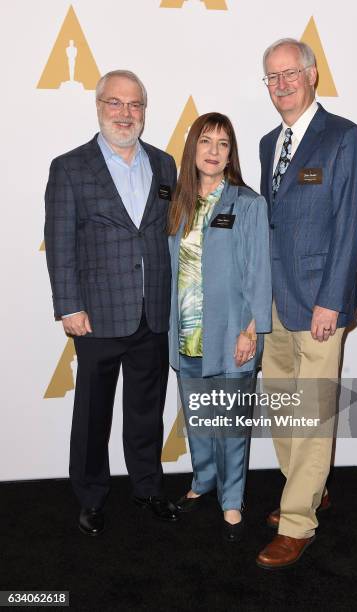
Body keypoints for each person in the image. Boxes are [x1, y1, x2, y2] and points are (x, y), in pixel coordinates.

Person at [44, 70, 179, 536]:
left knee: (147, 411)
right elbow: (59, 242)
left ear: (145, 109)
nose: (126, 113)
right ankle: (90, 497)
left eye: (135, 104)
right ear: (99, 106)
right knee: (93, 413)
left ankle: (147, 488)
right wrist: (69, 305)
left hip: (152, 312)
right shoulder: (70, 167)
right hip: (96, 316)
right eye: (116, 103)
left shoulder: (165, 165)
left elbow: (165, 237)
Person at [256, 39, 357, 568]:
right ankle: (308, 485)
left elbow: (351, 225)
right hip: (275, 303)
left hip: (320, 302)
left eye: (290, 73)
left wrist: (333, 301)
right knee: (283, 406)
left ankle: (299, 520)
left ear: (312, 74)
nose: (281, 84)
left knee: (313, 413)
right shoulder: (264, 143)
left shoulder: (345, 138)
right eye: (272, 76)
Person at [168, 112, 271, 542]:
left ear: (231, 153)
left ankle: (232, 499)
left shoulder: (248, 203)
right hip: (188, 333)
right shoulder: (178, 203)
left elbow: (259, 273)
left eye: (223, 144)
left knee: (230, 424)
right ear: (192, 148)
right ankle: (203, 480)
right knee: (199, 419)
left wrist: (251, 330)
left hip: (232, 334)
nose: (213, 152)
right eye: (206, 142)